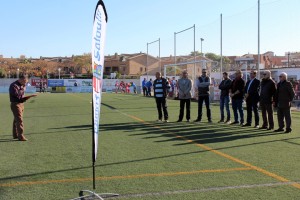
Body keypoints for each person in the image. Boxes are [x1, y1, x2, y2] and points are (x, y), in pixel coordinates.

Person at [9, 75, 37, 141]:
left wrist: (28, 96)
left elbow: (21, 96)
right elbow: (18, 96)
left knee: (16, 120)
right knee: (19, 120)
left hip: (21, 104)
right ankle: (21, 136)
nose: (25, 84)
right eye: (24, 82)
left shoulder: (23, 85)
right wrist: (28, 97)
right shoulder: (13, 85)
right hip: (15, 104)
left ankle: (15, 135)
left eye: (26, 82)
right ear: (21, 79)